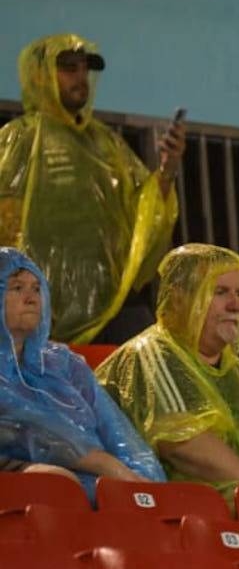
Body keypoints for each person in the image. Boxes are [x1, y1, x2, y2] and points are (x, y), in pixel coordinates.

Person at [96, 243, 239, 504]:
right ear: (180, 297)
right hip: (190, 511)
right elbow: (184, 446)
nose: (236, 305)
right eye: (220, 292)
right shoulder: (151, 355)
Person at [0, 33, 185, 344]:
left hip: (113, 307)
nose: (81, 77)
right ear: (39, 75)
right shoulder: (17, 140)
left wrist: (167, 170)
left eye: (85, 68)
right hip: (40, 311)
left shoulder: (108, 145)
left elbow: (144, 217)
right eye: (69, 68)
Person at [0, 248, 166, 500]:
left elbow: (117, 430)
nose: (31, 298)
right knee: (55, 483)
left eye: (36, 288)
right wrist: (106, 466)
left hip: (109, 480)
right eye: (16, 288)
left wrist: (145, 484)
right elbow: (29, 429)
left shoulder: (64, 363)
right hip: (30, 484)